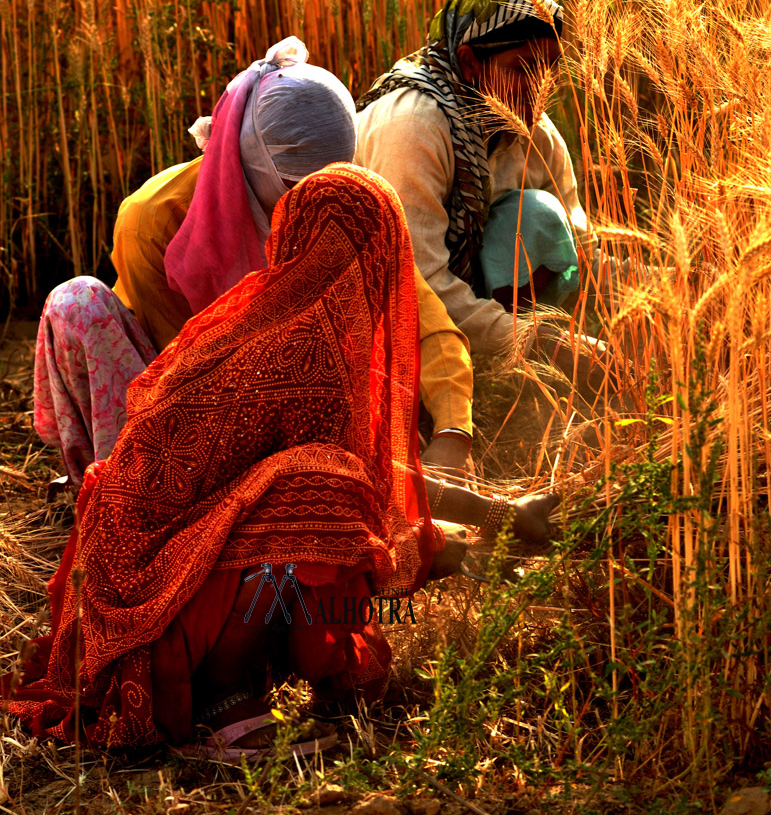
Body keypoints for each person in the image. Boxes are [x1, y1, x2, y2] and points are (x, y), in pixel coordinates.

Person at [6, 166, 556, 760]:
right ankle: (220, 698)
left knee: (331, 494)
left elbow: (376, 478)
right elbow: (357, 488)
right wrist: (473, 534)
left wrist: (495, 515)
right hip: (144, 608)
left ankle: (232, 675)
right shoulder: (304, 348)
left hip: (150, 578)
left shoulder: (286, 320)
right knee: (321, 494)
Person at [34, 39, 475, 487]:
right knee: (77, 301)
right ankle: (122, 491)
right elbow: (185, 378)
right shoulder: (154, 221)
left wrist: (453, 432)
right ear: (253, 160)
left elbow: (423, 318)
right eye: (295, 185)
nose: (313, 201)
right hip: (181, 406)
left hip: (303, 403)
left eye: (330, 179)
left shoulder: (340, 204)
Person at [355, 0, 610, 389]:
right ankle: (492, 366)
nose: (539, 87)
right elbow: (418, 283)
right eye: (522, 67)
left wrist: (668, 283)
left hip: (463, 298)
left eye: (549, 67)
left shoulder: (532, 129)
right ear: (470, 61)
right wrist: (540, 342)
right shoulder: (414, 125)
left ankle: (504, 361)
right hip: (382, 310)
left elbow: (582, 247)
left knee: (539, 217)